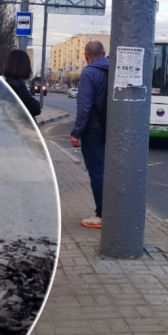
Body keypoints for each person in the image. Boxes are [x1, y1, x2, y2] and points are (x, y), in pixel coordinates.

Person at [70, 40, 109, 228]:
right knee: (112, 171)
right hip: (114, 128)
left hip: (93, 130)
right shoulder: (116, 69)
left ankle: (102, 215)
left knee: (97, 172)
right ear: (104, 53)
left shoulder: (89, 72)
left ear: (86, 57)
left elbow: (84, 107)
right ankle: (115, 211)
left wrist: (76, 132)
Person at [2, 49, 41, 119]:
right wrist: (37, 103)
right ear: (23, 66)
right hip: (19, 124)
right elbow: (36, 109)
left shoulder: (6, 82)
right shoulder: (18, 85)